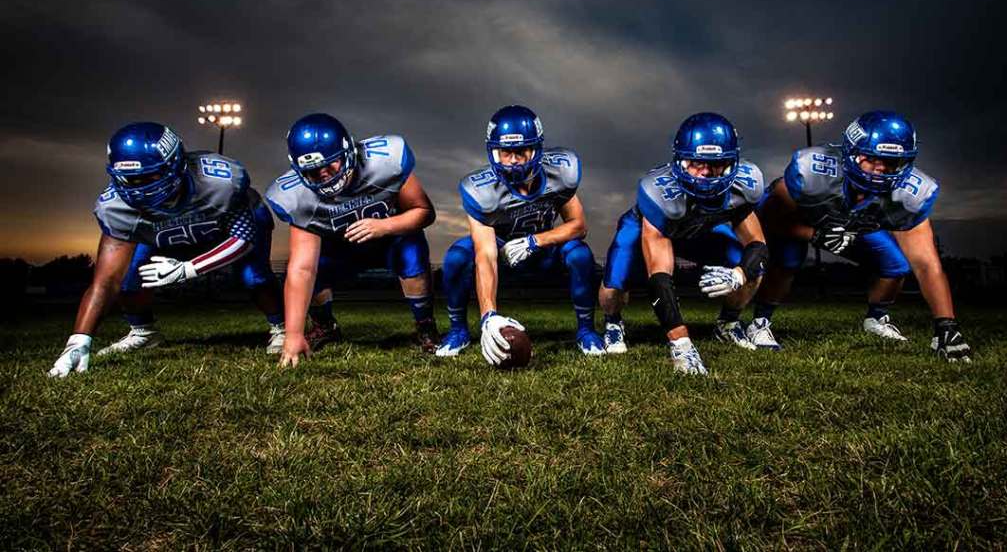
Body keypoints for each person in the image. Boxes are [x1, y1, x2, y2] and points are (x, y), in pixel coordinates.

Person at [49, 122, 284, 377]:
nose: (139, 188)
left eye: (149, 177)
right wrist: (79, 340)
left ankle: (281, 327)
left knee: (254, 276)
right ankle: (143, 332)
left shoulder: (220, 181)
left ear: (176, 164)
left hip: (226, 228)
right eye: (130, 179)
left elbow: (243, 239)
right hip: (164, 235)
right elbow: (106, 282)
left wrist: (188, 269)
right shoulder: (115, 208)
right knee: (128, 278)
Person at [753, 110, 971, 362]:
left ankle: (876, 318)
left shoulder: (910, 195)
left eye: (890, 162)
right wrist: (815, 234)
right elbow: (769, 218)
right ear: (850, 153)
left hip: (854, 226)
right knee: (789, 260)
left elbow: (927, 264)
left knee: (896, 265)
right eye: (871, 158)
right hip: (803, 221)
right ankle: (760, 322)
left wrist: (946, 325)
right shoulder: (813, 172)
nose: (880, 169)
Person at [599, 113, 769, 373]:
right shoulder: (658, 193)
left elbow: (758, 245)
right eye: (695, 163)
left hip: (698, 230)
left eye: (716, 164)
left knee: (753, 268)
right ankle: (613, 322)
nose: (705, 173)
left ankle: (728, 324)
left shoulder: (746, 185)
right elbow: (659, 276)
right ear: (679, 161)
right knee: (614, 283)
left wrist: (739, 273)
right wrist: (681, 343)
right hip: (652, 227)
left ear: (732, 162)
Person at [266, 113, 438, 367]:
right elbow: (302, 268)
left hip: (389, 240)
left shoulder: (386, 161)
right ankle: (325, 326)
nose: (324, 175)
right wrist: (293, 334)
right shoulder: (295, 196)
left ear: (348, 152)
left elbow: (424, 212)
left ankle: (425, 326)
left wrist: (384, 226)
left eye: (330, 165)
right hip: (340, 249)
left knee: (412, 249)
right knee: (311, 267)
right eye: (313, 171)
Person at [436, 105, 602, 363]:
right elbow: (486, 254)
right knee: (457, 256)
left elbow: (579, 226)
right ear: (494, 152)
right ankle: (458, 330)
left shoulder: (559, 173)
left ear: (536, 150)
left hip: (543, 250)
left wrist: (536, 241)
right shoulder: (481, 190)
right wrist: (488, 315)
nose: (513, 160)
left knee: (580, 254)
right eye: (505, 153)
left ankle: (586, 330)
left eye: (520, 152)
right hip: (502, 251)